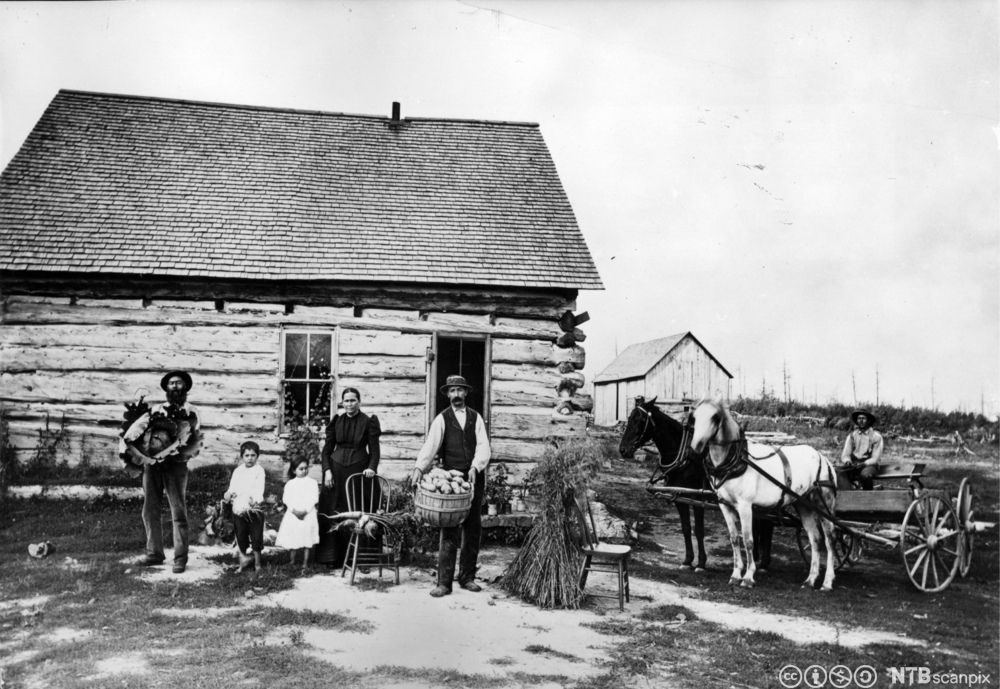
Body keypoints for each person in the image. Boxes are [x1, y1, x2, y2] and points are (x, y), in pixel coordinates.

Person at [410, 375, 491, 597]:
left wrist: (476, 467)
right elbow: (430, 446)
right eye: (452, 391)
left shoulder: (476, 418)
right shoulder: (442, 419)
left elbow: (484, 447)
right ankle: (444, 582)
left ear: (466, 393)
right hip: (450, 478)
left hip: (473, 478)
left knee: (473, 527)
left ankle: (467, 577)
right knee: (449, 528)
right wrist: (419, 468)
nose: (456, 395)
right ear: (447, 394)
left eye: (460, 390)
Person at [121, 370, 202, 574]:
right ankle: (154, 553)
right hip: (152, 464)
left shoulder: (191, 411)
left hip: (176, 465)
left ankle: (180, 557)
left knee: (178, 510)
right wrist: (128, 443)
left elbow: (191, 437)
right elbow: (141, 428)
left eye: (179, 383)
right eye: (171, 383)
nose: (175, 386)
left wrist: (173, 452)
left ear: (185, 388)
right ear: (166, 388)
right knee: (150, 509)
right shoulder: (157, 409)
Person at [316, 387, 382, 568]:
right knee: (335, 511)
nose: (349, 404)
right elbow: (326, 451)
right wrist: (327, 470)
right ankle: (333, 558)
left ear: (359, 402)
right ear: (342, 403)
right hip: (336, 474)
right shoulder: (337, 421)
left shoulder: (368, 422)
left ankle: (361, 559)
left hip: (360, 475)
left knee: (360, 512)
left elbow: (375, 452)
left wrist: (371, 468)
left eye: (353, 400)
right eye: (346, 401)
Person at [224, 441, 266, 573]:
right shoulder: (238, 471)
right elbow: (232, 488)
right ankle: (243, 562)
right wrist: (228, 494)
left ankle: (258, 564)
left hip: (254, 509)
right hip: (239, 508)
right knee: (241, 535)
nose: (250, 458)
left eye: (253, 455)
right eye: (247, 455)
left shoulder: (259, 471)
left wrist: (256, 501)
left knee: (256, 536)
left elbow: (260, 490)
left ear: (257, 456)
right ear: (242, 456)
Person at [275, 456, 320, 573]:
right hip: (293, 513)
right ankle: (292, 560)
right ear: (294, 470)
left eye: (306, 468)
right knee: (293, 536)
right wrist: (294, 511)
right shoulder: (290, 484)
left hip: (308, 513)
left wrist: (305, 510)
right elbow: (286, 499)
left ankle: (305, 562)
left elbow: (314, 498)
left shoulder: (312, 483)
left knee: (307, 537)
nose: (304, 471)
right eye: (301, 469)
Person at [839, 409, 883, 490]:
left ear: (868, 420)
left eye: (864, 418)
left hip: (870, 465)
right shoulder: (852, 436)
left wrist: (864, 463)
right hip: (854, 465)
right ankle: (847, 495)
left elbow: (875, 458)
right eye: (859, 418)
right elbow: (845, 454)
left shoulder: (876, 436)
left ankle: (868, 496)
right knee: (839, 473)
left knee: (865, 475)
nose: (861, 421)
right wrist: (847, 461)